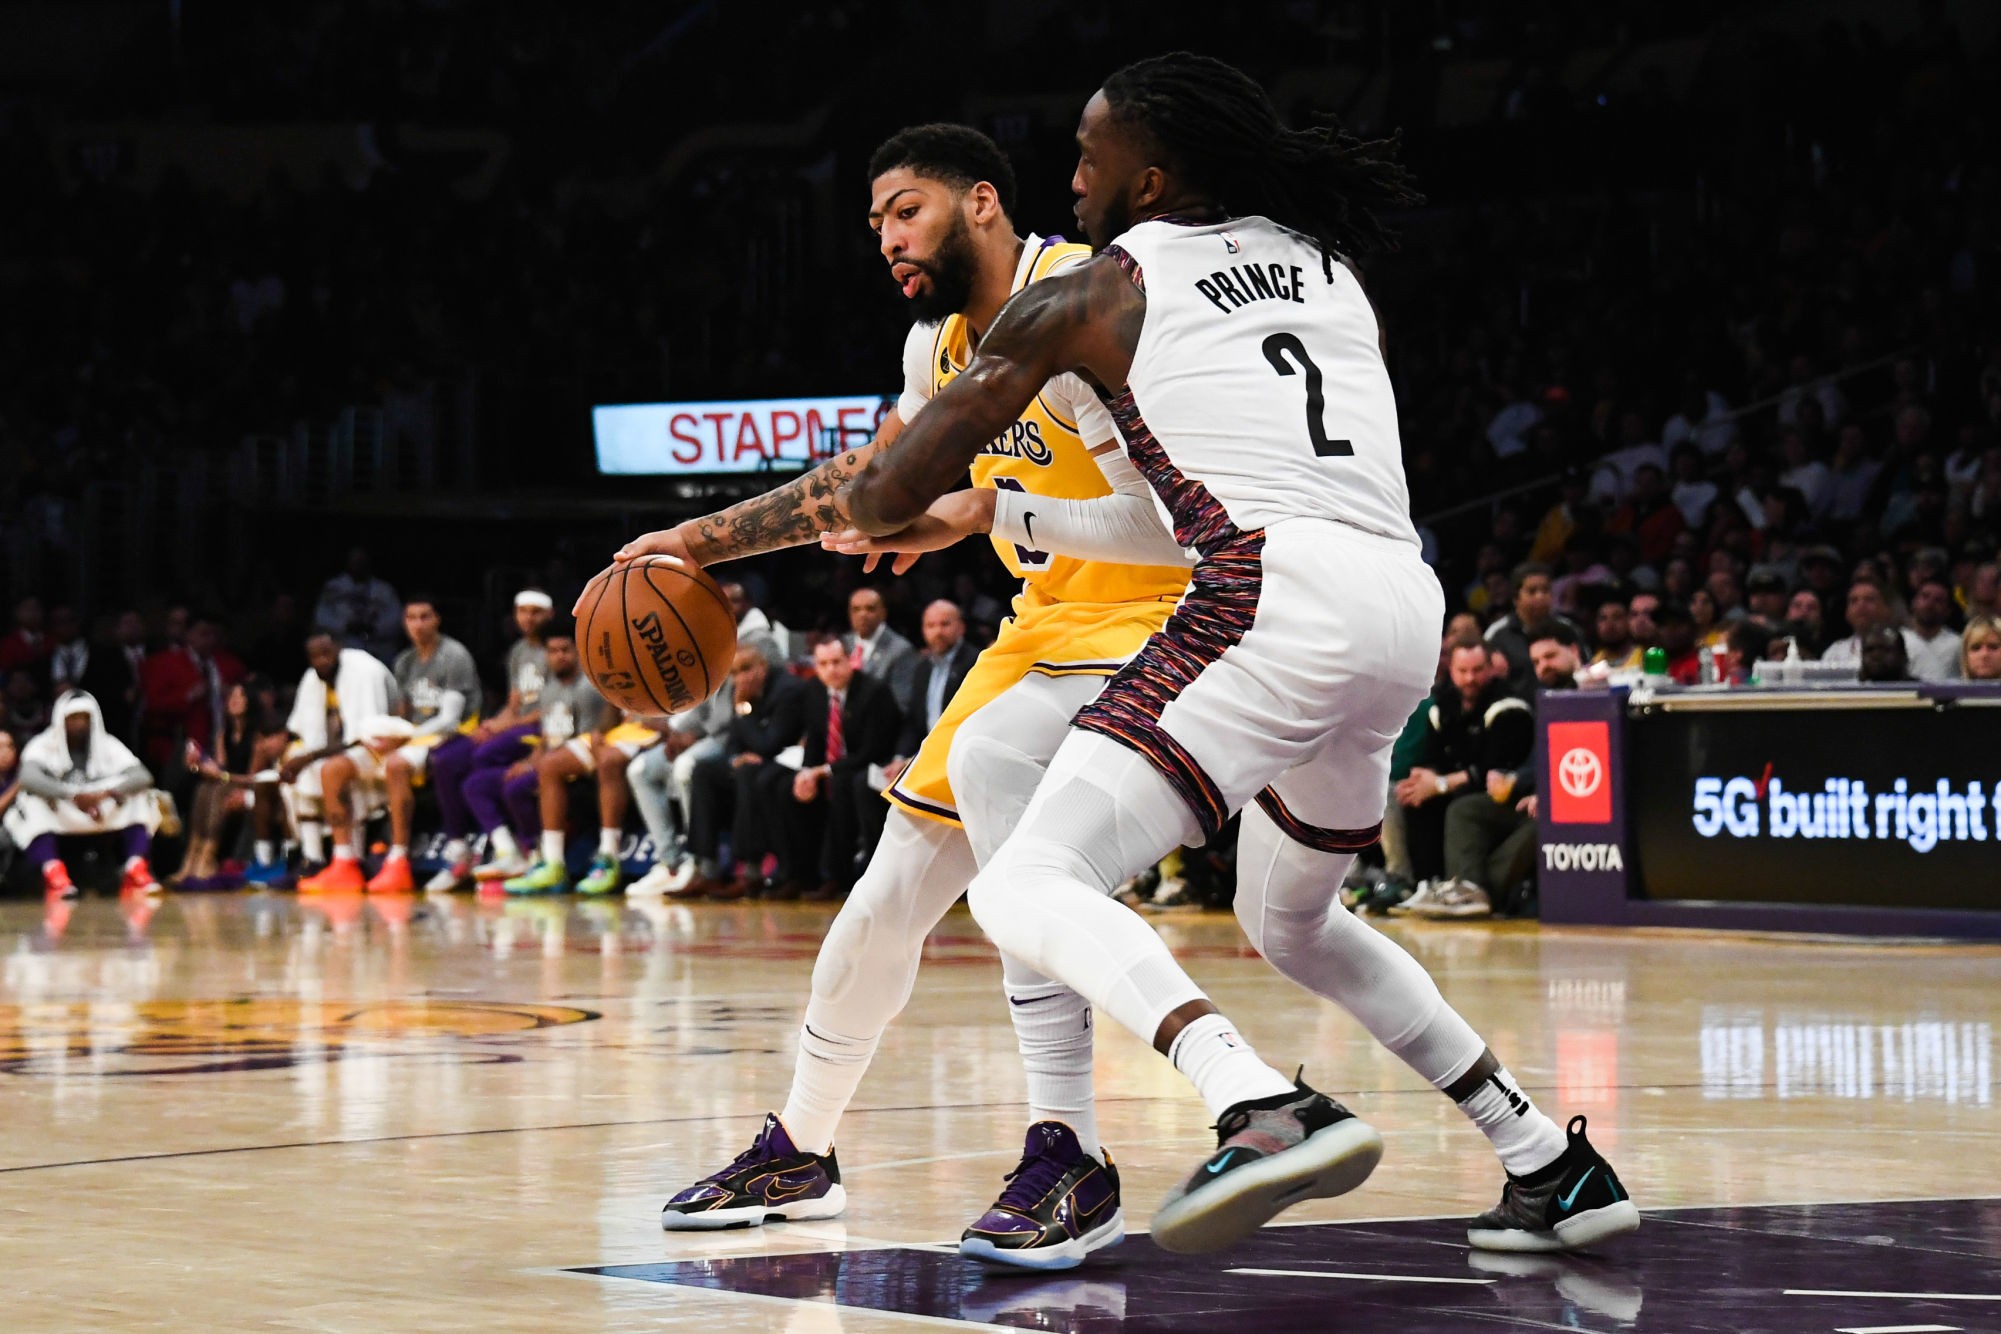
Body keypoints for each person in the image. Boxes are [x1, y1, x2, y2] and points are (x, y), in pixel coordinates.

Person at [639, 66, 1635, 1257]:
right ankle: (1546, 1157)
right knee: (1292, 923)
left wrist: (954, 512)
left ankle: (1226, 1110)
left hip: (1224, 606)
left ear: (1138, 180)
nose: (1076, 174)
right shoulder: (1327, 266)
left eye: (1088, 154)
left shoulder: (1097, 289)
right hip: (1393, 603)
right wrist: (898, 509)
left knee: (1021, 876)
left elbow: (910, 487)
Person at [613, 121, 1193, 1264]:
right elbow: (869, 486)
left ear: (982, 201)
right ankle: (803, 1147)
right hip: (1039, 634)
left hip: (1161, 623)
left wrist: (982, 513)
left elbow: (1169, 523)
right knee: (884, 899)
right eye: (875, 221)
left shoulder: (1079, 301)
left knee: (1022, 851)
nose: (887, 237)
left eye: (906, 209)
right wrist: (698, 542)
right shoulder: (938, 346)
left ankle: (1066, 1148)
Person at [300, 596, 483, 893]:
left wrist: (404, 738)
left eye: (425, 617)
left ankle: (398, 861)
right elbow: (402, 714)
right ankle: (344, 861)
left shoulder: (454, 656)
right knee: (333, 769)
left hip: (449, 738)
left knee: (396, 764)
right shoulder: (404, 662)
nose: (418, 625)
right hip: (410, 736)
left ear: (437, 620)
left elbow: (449, 720)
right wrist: (388, 734)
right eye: (411, 618)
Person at [458, 621, 608, 892]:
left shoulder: (587, 689)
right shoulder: (549, 689)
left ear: (578, 652)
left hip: (572, 768)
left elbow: (584, 742)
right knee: (476, 784)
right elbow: (547, 739)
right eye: (552, 651)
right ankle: (515, 854)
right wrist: (527, 762)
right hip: (548, 758)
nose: (559, 656)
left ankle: (542, 857)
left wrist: (535, 766)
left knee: (516, 787)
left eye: (565, 650)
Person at [1392, 639, 1532, 895]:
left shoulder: (1509, 707)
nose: (1470, 678)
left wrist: (1440, 783)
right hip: (1460, 789)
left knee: (1459, 807)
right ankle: (1422, 885)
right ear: (1451, 670)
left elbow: (1492, 772)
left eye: (1477, 670)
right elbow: (1431, 759)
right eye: (1462, 671)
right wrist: (1424, 778)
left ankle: (1464, 889)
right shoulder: (1442, 707)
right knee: (1413, 796)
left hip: (1504, 796)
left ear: (1491, 668)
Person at [439, 589, 554, 884]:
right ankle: (488, 844)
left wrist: (505, 727)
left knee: (483, 755)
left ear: (549, 615)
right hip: (518, 725)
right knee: (457, 764)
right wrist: (493, 724)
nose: (528, 618)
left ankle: (517, 834)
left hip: (543, 728)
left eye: (535, 611)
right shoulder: (517, 652)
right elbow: (514, 704)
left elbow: (553, 705)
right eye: (522, 611)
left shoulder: (556, 650)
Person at [2, 691, 162, 897]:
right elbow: (28, 777)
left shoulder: (108, 744)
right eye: (73, 718)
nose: (79, 724)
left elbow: (143, 776)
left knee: (143, 795)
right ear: (61, 719)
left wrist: (108, 793)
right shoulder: (43, 744)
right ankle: (54, 874)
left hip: (100, 806)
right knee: (30, 801)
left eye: (84, 718)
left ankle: (135, 869)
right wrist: (71, 795)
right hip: (65, 808)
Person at [682, 643, 808, 900]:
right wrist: (735, 758)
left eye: (746, 669)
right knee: (704, 771)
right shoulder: (742, 691)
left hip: (788, 765)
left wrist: (742, 709)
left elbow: (769, 745)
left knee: (749, 774)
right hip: (758, 765)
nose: (740, 678)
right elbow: (733, 742)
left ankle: (750, 873)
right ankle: (706, 868)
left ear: (763, 666)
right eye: (735, 672)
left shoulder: (788, 690)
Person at [782, 635, 903, 899]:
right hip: (835, 766)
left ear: (852, 660)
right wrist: (806, 773)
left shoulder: (874, 691)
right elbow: (815, 738)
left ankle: (849, 875)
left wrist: (822, 771)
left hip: (875, 765)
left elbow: (873, 749)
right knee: (786, 787)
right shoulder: (814, 691)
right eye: (823, 664)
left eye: (837, 662)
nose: (830, 670)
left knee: (846, 783)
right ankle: (801, 875)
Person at [278, 631, 400, 883]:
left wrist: (309, 757)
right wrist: (299, 758)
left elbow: (365, 736)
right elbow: (305, 731)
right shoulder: (313, 678)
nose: (321, 661)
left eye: (326, 654)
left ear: (338, 649)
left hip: (383, 746)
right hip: (336, 751)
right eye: (314, 656)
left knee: (336, 770)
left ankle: (350, 859)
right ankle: (313, 859)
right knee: (299, 766)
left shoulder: (365, 671)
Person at [171, 677, 288, 890]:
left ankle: (208, 857)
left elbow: (254, 778)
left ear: (250, 701)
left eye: (240, 696)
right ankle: (191, 859)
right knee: (204, 789)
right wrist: (201, 764)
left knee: (216, 791)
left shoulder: (257, 735)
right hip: (228, 784)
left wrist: (222, 777)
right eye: (231, 696)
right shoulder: (223, 733)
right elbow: (221, 768)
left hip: (250, 787)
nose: (234, 700)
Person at [138, 613, 245, 776]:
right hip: (179, 747)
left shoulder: (227, 665)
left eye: (213, 634)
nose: (209, 640)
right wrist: (188, 696)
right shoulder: (165, 663)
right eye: (203, 634)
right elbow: (152, 706)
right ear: (189, 635)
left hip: (221, 744)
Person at [1484, 562, 1581, 692]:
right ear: (1515, 598)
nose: (1540, 596)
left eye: (1545, 590)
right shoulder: (1496, 635)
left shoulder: (1568, 629)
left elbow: (1586, 670)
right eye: (1532, 591)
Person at [313, 546, 402, 661]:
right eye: (354, 561)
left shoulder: (384, 589)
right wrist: (346, 626)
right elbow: (321, 618)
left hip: (378, 651)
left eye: (361, 561)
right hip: (343, 649)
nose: (358, 565)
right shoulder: (333, 588)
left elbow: (396, 620)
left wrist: (374, 628)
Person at [843, 587, 918, 713]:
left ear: (883, 613)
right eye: (856, 609)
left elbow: (901, 704)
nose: (862, 615)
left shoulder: (901, 650)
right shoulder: (842, 643)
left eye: (870, 609)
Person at [1906, 578, 1963, 681]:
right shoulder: (1900, 640)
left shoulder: (1958, 644)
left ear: (1948, 610)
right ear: (1914, 602)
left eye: (1938, 600)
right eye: (1925, 596)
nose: (1930, 604)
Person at [1589, 599, 1641, 670]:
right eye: (1603, 618)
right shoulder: (1594, 663)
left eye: (1617, 617)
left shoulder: (1644, 657)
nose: (1610, 625)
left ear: (1628, 621)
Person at [1960, 614, 2001, 680]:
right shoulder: (1949, 690)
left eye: (1993, 647)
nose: (1984, 654)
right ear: (1965, 656)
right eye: (1976, 648)